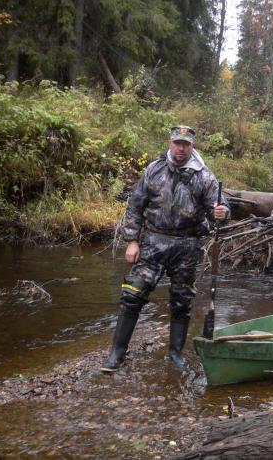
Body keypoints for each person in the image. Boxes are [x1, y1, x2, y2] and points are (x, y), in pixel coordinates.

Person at [101, 126, 230, 372]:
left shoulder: (204, 176)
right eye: (177, 143)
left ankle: (175, 355)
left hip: (187, 246)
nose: (181, 148)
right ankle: (116, 354)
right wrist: (132, 241)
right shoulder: (154, 169)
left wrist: (222, 212)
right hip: (153, 242)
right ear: (170, 143)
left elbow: (219, 209)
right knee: (132, 296)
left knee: (181, 301)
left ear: (192, 147)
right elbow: (135, 205)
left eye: (186, 144)